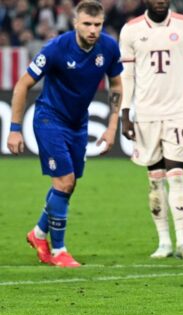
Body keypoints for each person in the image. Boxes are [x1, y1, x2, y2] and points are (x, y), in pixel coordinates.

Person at [7, 0, 123, 268]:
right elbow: (23, 84)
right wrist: (14, 129)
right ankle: (59, 251)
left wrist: (112, 126)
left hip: (78, 123)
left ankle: (37, 234)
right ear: (75, 23)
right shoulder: (57, 48)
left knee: (69, 186)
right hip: (50, 119)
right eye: (87, 24)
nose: (93, 30)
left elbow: (116, 84)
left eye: (97, 24)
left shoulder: (108, 47)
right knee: (63, 182)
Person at [119, 0, 183, 260]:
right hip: (145, 115)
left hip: (177, 112)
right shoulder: (130, 30)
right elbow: (127, 75)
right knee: (154, 179)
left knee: (176, 175)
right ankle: (164, 242)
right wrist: (125, 112)